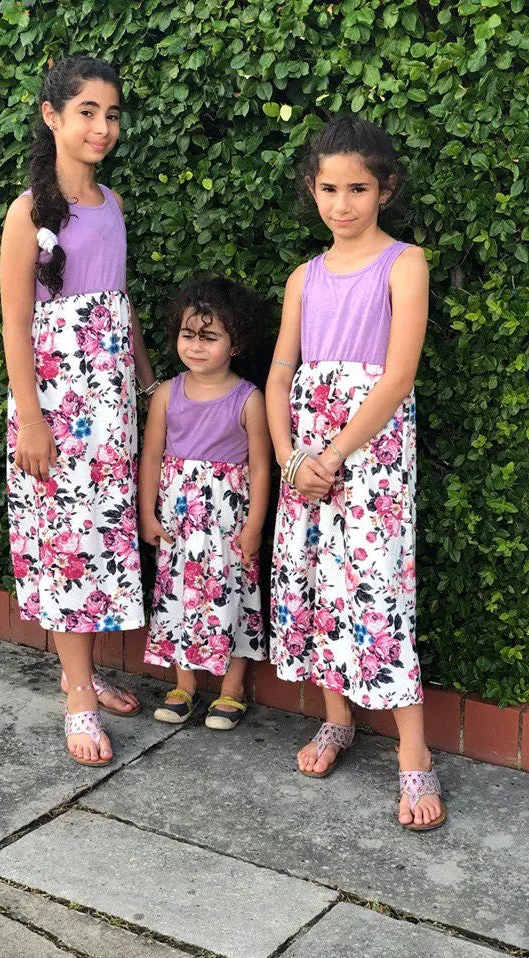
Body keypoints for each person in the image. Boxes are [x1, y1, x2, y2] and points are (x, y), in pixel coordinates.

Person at [266, 115, 446, 830]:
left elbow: (398, 376)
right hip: (306, 454)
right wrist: (290, 458)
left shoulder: (405, 263)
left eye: (358, 189)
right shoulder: (302, 277)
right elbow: (281, 370)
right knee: (315, 583)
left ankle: (414, 753)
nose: (342, 205)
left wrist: (334, 453)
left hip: (366, 456)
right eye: (329, 189)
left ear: (385, 190)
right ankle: (336, 718)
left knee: (375, 590)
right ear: (313, 189)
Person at [0, 56, 157, 768]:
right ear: (52, 117)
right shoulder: (28, 213)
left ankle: (83, 669)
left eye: (112, 114)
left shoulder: (113, 204)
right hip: (57, 409)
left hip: (112, 405)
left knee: (99, 542)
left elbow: (121, 307)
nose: (102, 126)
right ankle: (78, 699)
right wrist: (31, 419)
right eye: (87, 111)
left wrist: (149, 385)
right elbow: (14, 327)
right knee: (65, 547)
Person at [141, 277, 272, 730]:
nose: (195, 347)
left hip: (226, 528)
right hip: (179, 525)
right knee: (177, 597)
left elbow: (260, 468)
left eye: (209, 337)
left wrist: (254, 525)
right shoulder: (165, 394)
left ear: (235, 344)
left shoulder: (249, 399)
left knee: (233, 598)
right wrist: (147, 513)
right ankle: (185, 684)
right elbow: (152, 456)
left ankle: (232, 690)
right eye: (187, 334)